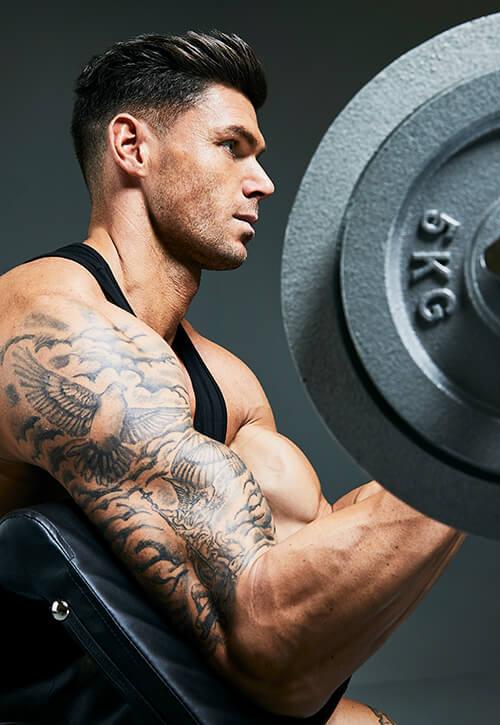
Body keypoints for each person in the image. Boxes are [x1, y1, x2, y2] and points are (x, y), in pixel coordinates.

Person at [0, 30, 466, 723]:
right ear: (132, 147)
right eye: (231, 146)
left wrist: (475, 405)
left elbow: (318, 621)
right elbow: (272, 651)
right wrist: (477, 435)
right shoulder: (53, 331)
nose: (262, 181)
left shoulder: (228, 385)